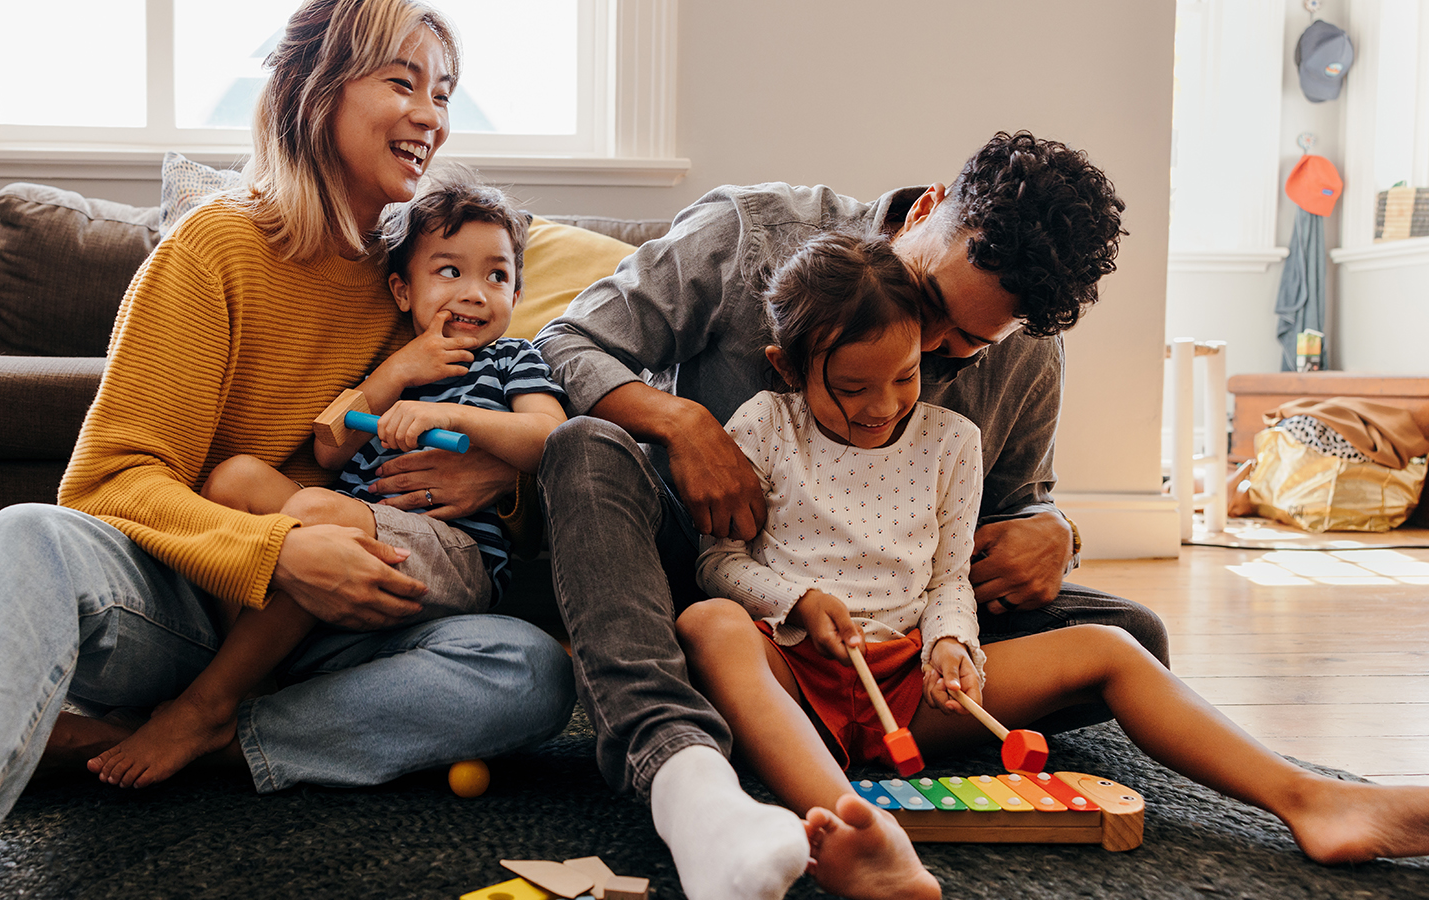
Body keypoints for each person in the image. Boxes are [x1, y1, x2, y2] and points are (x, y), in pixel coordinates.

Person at [0, 2, 574, 898]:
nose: (429, 115)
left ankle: (192, 736)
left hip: (351, 633)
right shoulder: (215, 249)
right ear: (317, 87)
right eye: (403, 82)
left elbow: (501, 432)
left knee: (527, 669)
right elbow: (112, 480)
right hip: (192, 607)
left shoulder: (420, 283)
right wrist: (277, 550)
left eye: (444, 93)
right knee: (25, 536)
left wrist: (498, 472)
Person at [677, 232, 1429, 899]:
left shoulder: (951, 443)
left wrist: (951, 644)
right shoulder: (765, 426)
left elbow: (946, 582)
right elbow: (719, 561)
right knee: (708, 623)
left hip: (908, 684)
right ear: (789, 365)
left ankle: (1311, 800)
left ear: (924, 351)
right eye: (850, 389)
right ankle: (853, 827)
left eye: (903, 378)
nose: (881, 407)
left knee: (1110, 644)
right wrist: (798, 599)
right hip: (794, 675)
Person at [532, 132, 1164, 900]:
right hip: (696, 574)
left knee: (1137, 639)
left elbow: (1015, 504)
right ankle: (679, 761)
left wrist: (1054, 534)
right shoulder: (747, 234)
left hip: (890, 623)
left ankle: (831, 723)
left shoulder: (1029, 353)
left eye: (962, 348)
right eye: (930, 304)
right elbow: (566, 340)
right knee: (584, 449)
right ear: (929, 209)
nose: (924, 354)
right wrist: (681, 422)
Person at [88, 178, 567, 790]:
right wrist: (394, 374)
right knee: (236, 478)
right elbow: (329, 444)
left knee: (318, 509)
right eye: (449, 271)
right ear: (403, 289)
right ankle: (254, 675)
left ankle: (210, 705)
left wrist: (454, 416)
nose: (474, 293)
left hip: (450, 553)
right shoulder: (395, 362)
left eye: (497, 277)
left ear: (517, 293)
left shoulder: (513, 359)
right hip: (351, 534)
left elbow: (550, 438)